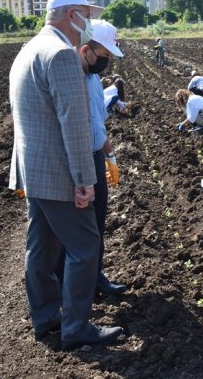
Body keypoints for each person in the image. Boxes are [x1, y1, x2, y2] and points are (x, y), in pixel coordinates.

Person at [8, 0, 123, 350]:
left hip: (34, 170)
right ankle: (76, 327)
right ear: (71, 15)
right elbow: (73, 124)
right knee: (85, 246)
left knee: (41, 249)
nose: (88, 22)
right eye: (86, 14)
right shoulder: (61, 55)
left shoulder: (28, 50)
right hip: (58, 172)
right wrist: (84, 180)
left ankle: (45, 319)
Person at [77, 19, 127, 296]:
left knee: (97, 221)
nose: (106, 61)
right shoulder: (74, 81)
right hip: (81, 159)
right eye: (105, 55)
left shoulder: (94, 80)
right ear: (87, 50)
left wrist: (110, 155)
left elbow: (99, 122)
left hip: (96, 155)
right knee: (83, 226)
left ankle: (95, 276)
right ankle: (80, 284)